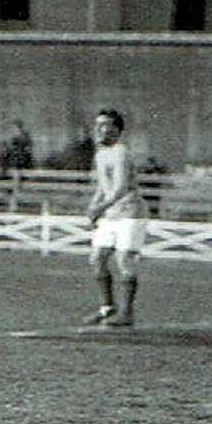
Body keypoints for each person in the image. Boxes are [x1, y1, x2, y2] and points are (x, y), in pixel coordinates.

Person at [84, 108, 147, 327]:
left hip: (130, 213)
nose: (99, 129)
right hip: (111, 214)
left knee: (123, 260)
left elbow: (120, 188)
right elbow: (103, 187)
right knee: (98, 258)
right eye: (98, 125)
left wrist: (100, 207)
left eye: (105, 125)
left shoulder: (121, 152)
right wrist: (93, 206)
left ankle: (127, 313)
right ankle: (107, 307)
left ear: (116, 129)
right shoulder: (101, 154)